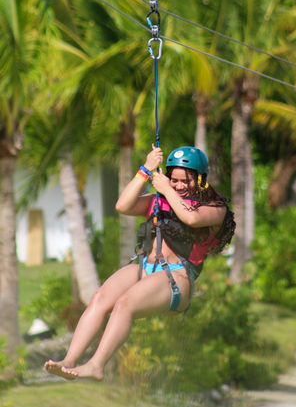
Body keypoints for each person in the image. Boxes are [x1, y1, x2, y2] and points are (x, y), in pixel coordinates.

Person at [44, 145, 235, 381]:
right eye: (174, 180)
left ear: (201, 180)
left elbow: (191, 217)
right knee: (100, 298)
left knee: (125, 304)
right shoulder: (158, 200)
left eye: (186, 181)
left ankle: (96, 365)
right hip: (145, 267)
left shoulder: (215, 208)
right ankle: (69, 360)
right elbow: (122, 205)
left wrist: (165, 187)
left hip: (177, 278)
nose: (179, 186)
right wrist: (146, 169)